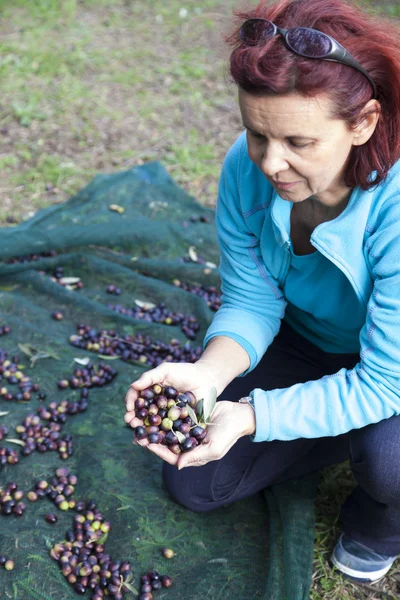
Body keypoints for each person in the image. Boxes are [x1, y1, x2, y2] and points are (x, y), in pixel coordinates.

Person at [125, 0, 400, 584]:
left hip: (392, 368)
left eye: (299, 141)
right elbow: (252, 300)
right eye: (257, 134)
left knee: (389, 460)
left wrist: (254, 415)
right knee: (195, 480)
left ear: (363, 122)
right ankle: (336, 419)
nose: (272, 163)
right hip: (312, 341)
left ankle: (381, 520)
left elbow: (384, 379)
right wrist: (208, 376)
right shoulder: (245, 170)